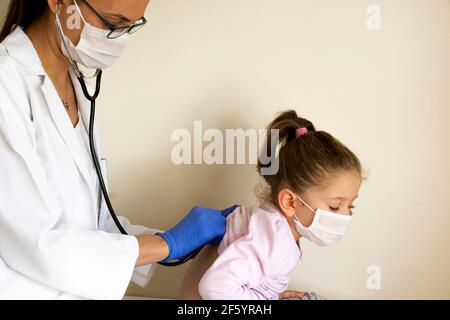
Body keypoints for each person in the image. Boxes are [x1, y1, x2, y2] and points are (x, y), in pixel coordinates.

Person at [0, 0, 236, 299]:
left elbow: (91, 222)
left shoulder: (74, 84)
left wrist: (174, 240)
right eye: (112, 23)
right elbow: (33, 241)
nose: (119, 39)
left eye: (130, 26)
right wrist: (167, 244)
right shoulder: (6, 84)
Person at [180, 110, 363, 300]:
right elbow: (215, 286)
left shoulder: (271, 224)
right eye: (334, 206)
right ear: (289, 201)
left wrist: (272, 295)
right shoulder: (275, 241)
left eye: (351, 206)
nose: (345, 216)